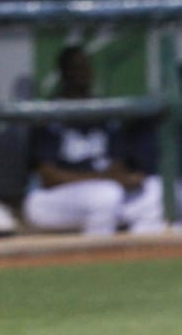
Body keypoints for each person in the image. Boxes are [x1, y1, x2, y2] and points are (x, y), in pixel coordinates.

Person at [23, 46, 168, 235]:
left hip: (104, 192)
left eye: (86, 67)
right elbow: (49, 177)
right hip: (50, 200)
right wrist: (106, 179)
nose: (82, 73)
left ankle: (137, 256)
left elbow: (118, 163)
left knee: (157, 190)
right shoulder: (49, 114)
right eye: (75, 68)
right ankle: (93, 256)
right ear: (63, 73)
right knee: (106, 195)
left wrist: (124, 179)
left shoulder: (104, 110)